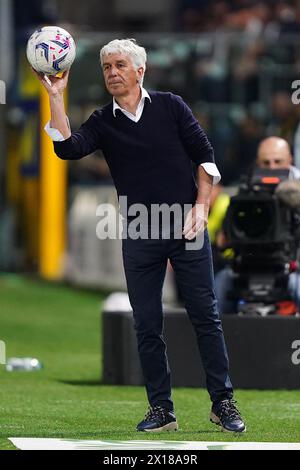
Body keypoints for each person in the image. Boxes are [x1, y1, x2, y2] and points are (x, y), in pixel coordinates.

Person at [33, 38, 245, 433]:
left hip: (186, 225)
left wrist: (201, 207)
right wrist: (56, 96)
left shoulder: (170, 106)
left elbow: (205, 156)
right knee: (147, 323)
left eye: (119, 65)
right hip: (140, 230)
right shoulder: (102, 121)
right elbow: (67, 149)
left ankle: (223, 402)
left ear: (140, 70)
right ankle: (162, 410)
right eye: (107, 67)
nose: (112, 73)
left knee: (206, 316)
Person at [215, 136, 300, 314]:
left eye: (278, 161)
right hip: (248, 265)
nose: (272, 168)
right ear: (257, 162)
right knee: (220, 285)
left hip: (291, 268)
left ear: (290, 159)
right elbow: (228, 232)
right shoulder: (247, 190)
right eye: (266, 162)